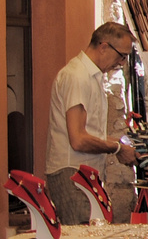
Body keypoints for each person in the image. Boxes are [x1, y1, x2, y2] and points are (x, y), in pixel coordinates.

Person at [46, 22, 138, 224]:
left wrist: (124, 145)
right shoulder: (77, 76)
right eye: (122, 55)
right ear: (103, 46)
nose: (122, 63)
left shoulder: (93, 77)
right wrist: (117, 148)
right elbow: (78, 140)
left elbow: (89, 133)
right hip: (72, 173)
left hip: (84, 173)